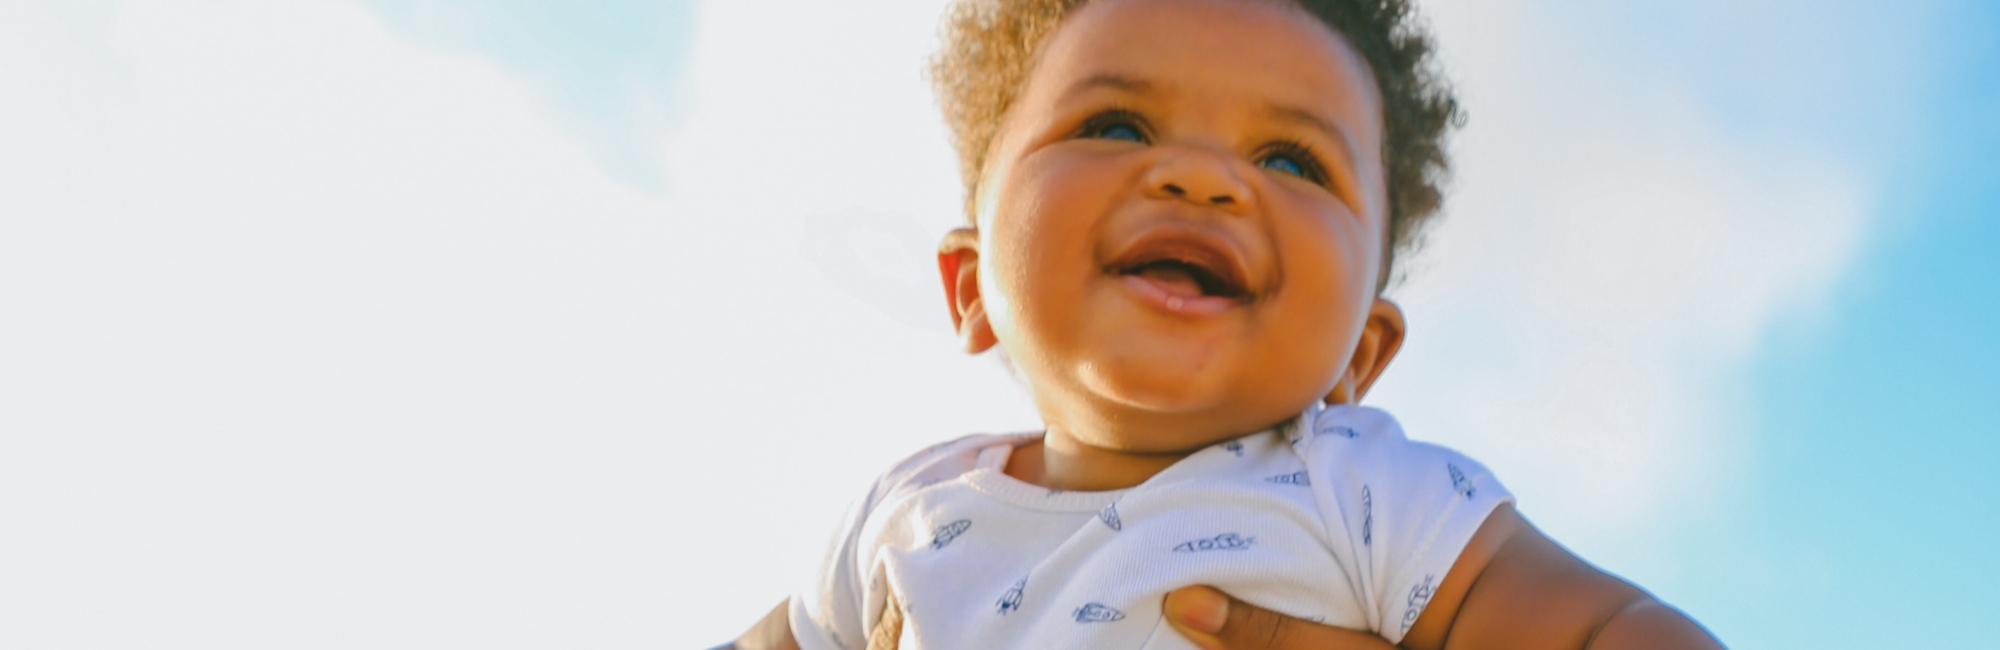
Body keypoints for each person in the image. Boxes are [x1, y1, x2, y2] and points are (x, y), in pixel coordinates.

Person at [729, 0, 1726, 647]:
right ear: (970, 286)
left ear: (1362, 352)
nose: (1201, 177)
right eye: (1115, 125)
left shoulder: (1369, 497)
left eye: (1290, 160)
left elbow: (1616, 630)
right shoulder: (905, 511)